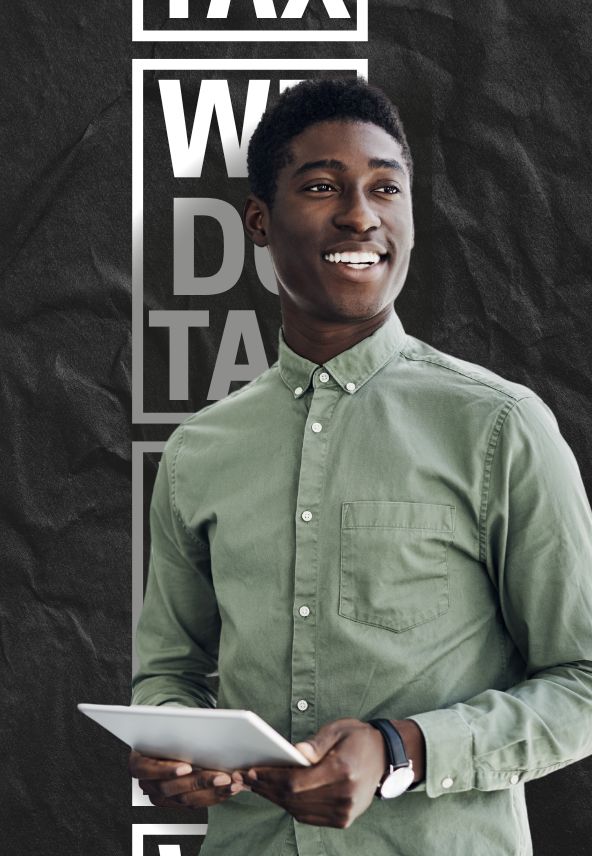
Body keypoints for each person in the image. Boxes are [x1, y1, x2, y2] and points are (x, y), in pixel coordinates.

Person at [129, 78, 592, 855]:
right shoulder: (198, 453)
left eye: (386, 187)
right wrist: (177, 749)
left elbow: (583, 680)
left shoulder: (499, 426)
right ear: (259, 222)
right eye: (321, 186)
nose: (360, 214)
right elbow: (167, 677)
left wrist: (401, 750)